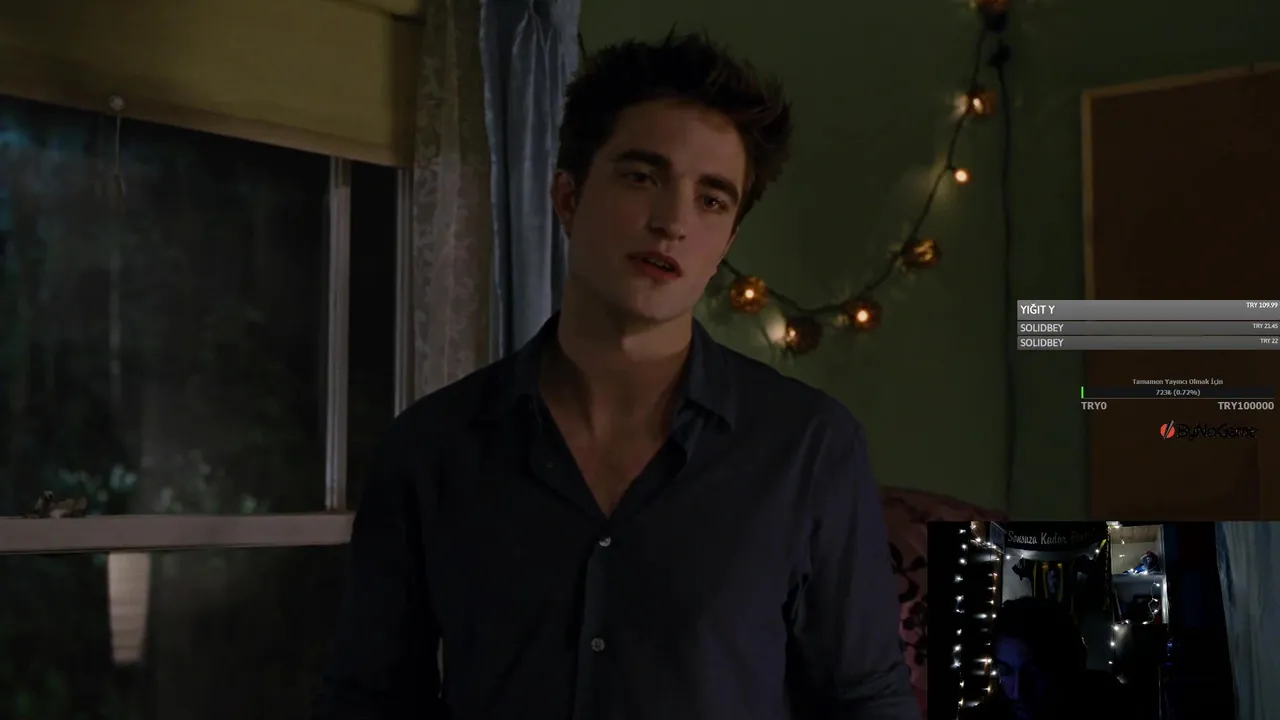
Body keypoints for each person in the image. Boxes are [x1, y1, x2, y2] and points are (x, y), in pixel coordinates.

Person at [314, 31, 916, 720]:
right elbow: (369, 699)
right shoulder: (432, 448)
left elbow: (867, 700)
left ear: (727, 241)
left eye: (711, 200)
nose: (671, 222)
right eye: (642, 177)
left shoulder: (808, 448)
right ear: (568, 197)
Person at [959, 597, 1132, 720]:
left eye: (1034, 673)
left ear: (1065, 666)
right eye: (1006, 671)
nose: (1017, 691)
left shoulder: (1107, 699)